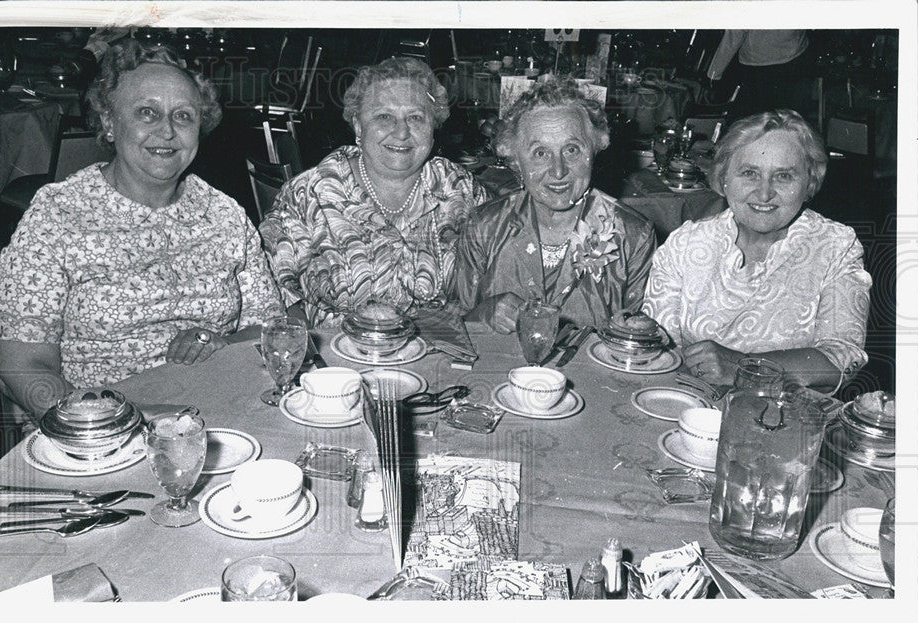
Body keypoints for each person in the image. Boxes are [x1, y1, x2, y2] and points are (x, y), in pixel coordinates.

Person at [0, 40, 282, 420]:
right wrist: (113, 421)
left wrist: (218, 342)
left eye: (184, 116)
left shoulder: (224, 215)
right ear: (109, 123)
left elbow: (270, 329)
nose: (167, 132)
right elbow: (21, 365)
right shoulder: (59, 216)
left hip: (218, 415)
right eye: (147, 113)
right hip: (98, 429)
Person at [643, 110, 872, 392]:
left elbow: (843, 357)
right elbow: (654, 348)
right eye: (749, 173)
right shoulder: (686, 243)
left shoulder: (835, 245)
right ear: (724, 177)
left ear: (809, 183)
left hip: (785, 418)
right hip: (687, 403)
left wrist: (745, 366)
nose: (764, 194)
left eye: (784, 176)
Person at [259, 56, 489, 326]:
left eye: (416, 117)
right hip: (340, 357)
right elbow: (271, 298)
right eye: (384, 117)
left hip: (438, 354)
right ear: (358, 125)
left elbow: (497, 270)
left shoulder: (460, 189)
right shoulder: (311, 194)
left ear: (434, 126)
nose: (401, 132)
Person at [454, 76, 656, 333]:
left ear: (596, 148)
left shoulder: (633, 236)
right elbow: (454, 327)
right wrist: (480, 314)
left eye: (571, 150)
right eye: (540, 153)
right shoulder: (484, 227)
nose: (558, 170)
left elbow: (643, 341)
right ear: (515, 159)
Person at [706, 30, 813, 120]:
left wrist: (713, 74)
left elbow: (734, 35)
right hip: (794, 55)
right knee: (789, 118)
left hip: (758, 63)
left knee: (756, 119)